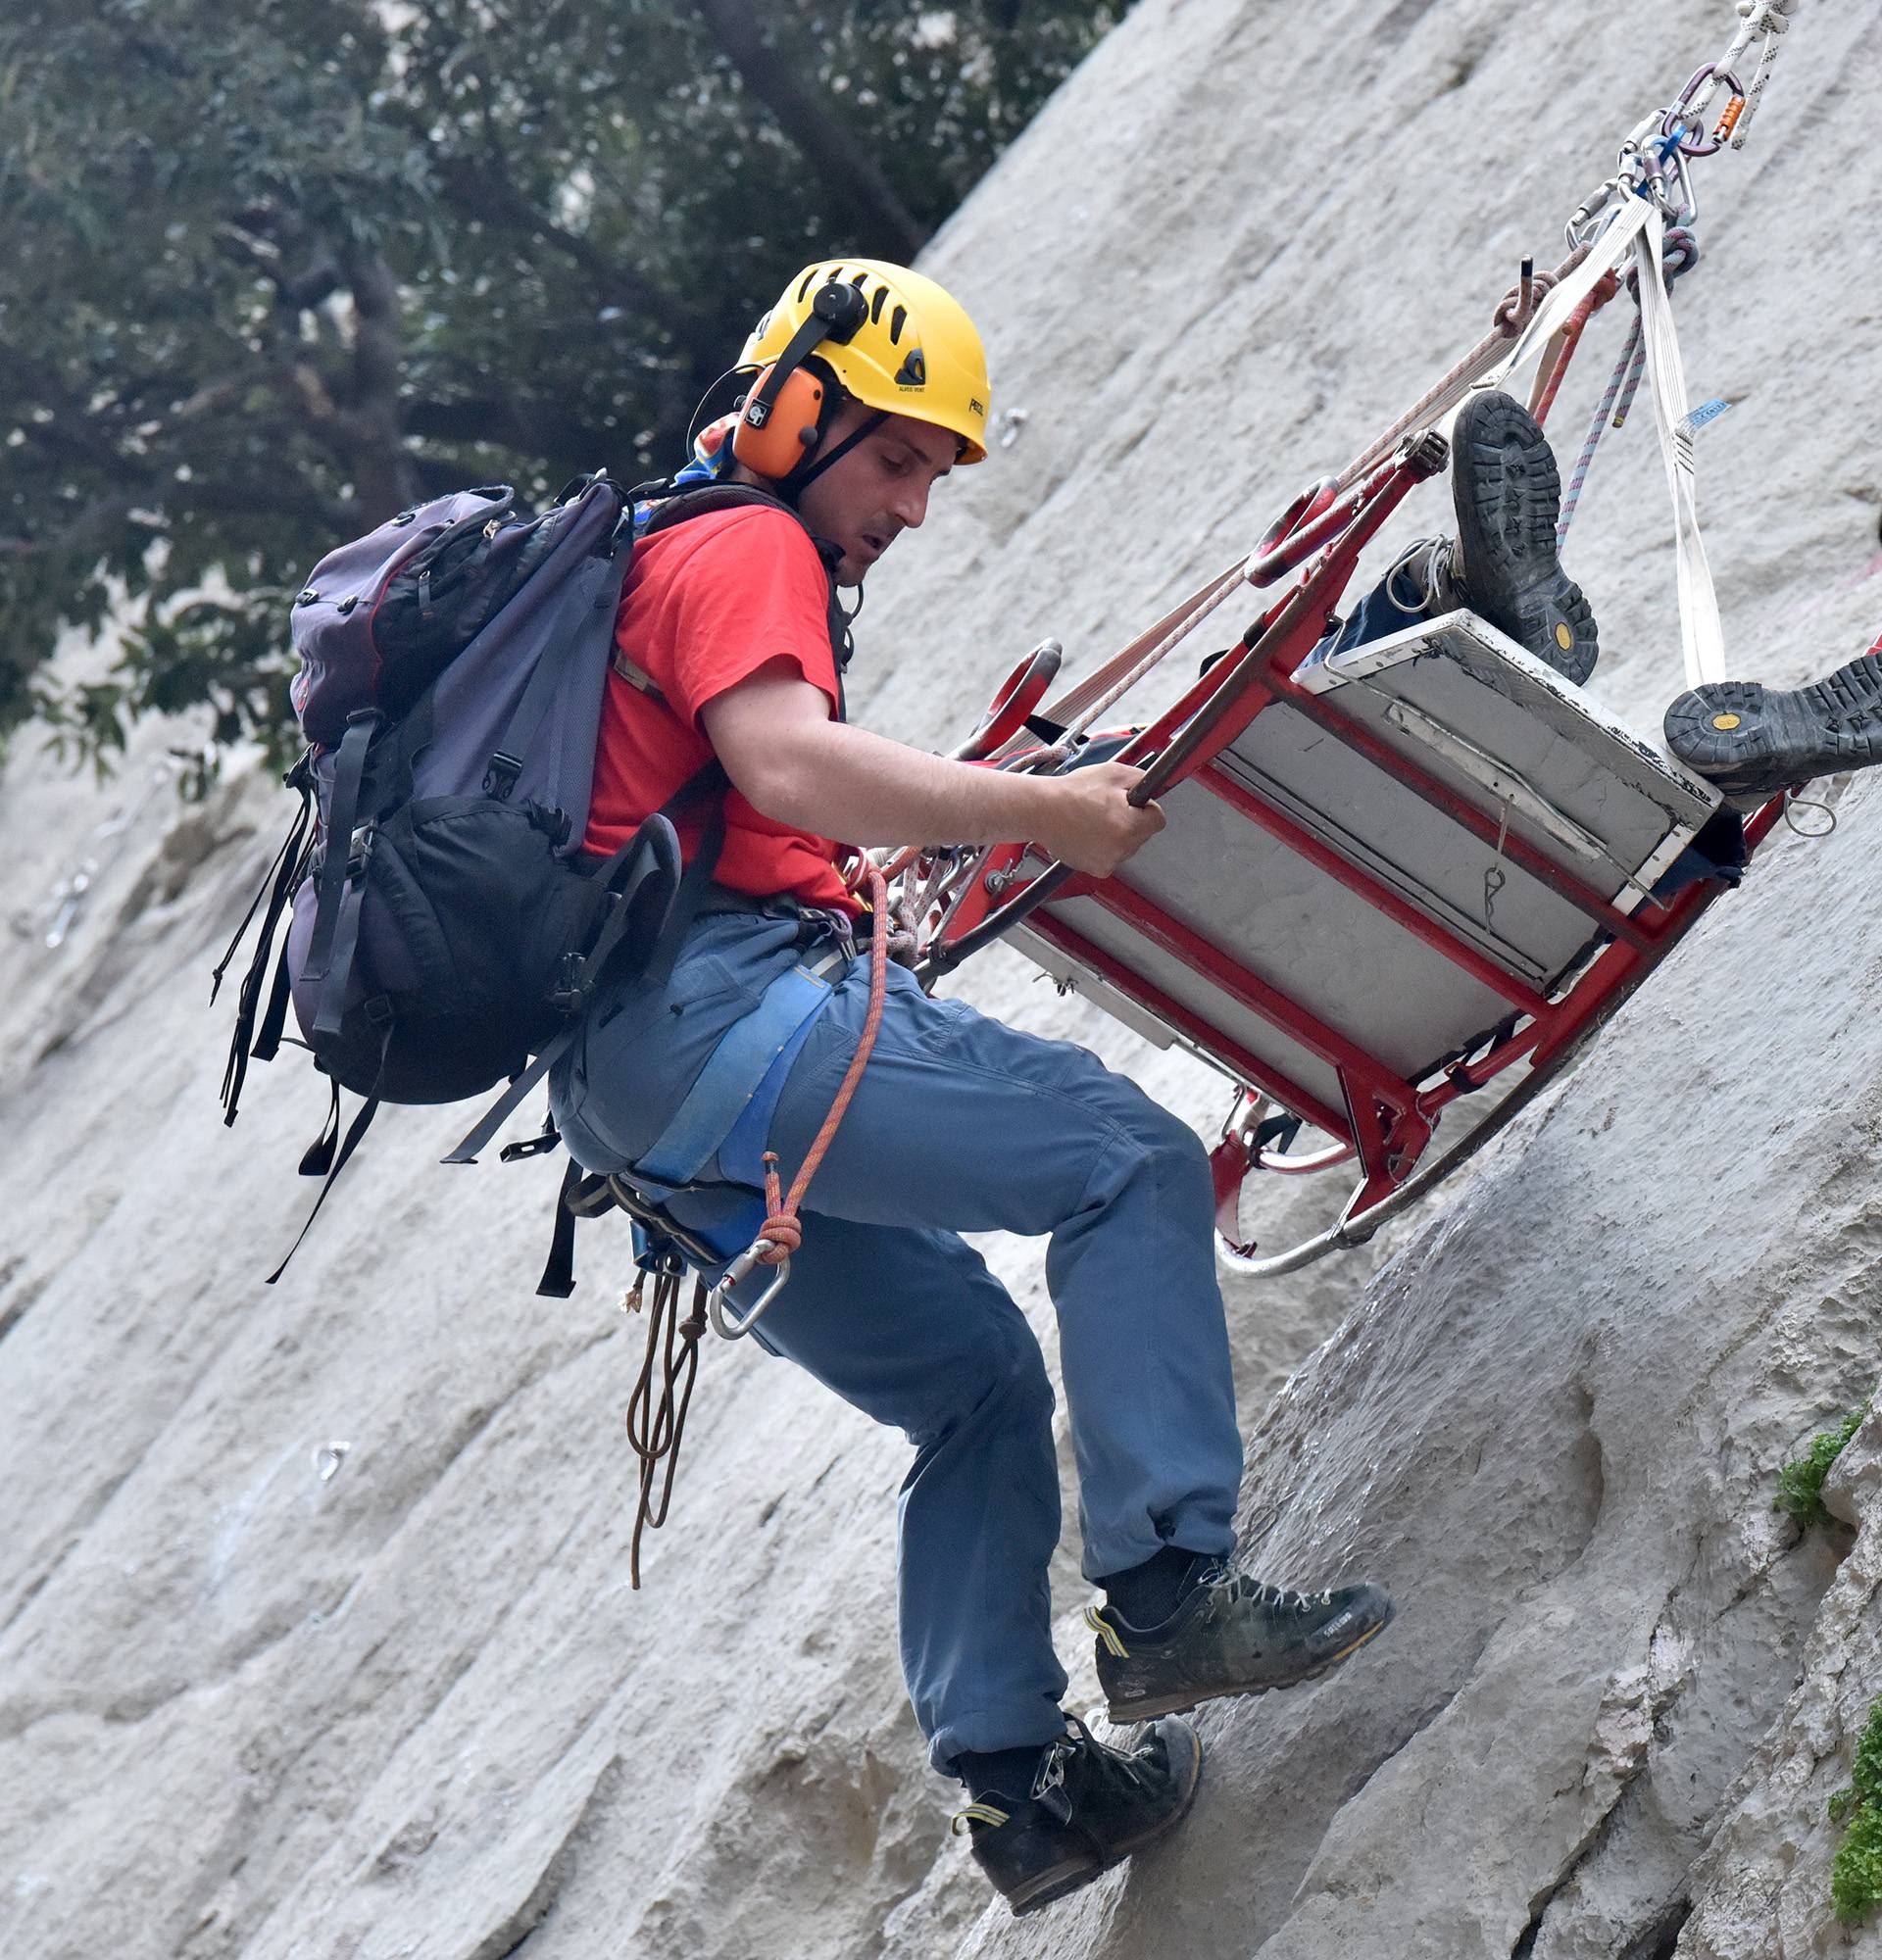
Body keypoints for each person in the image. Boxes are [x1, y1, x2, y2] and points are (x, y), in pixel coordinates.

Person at [548, 259, 1395, 1919]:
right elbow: (784, 763)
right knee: (1131, 1162)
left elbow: (740, 806)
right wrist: (1040, 808)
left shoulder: (666, 555)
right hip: (732, 1031)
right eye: (898, 459)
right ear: (797, 414)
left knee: (975, 1387)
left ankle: (1023, 1791)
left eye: (935, 472)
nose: (915, 507)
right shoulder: (740, 543)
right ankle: (1169, 1594)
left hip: (649, 1122)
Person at [1307, 389, 1882, 808]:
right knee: (1296, 693)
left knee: (1618, 871)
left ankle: (1727, 796)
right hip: (1320, 756)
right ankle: (1732, 787)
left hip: (1485, 907)